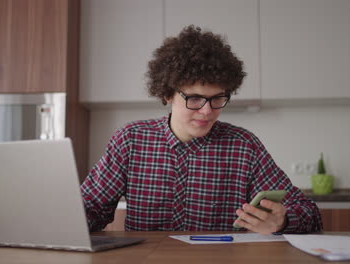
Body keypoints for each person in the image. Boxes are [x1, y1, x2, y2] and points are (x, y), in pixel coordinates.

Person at [80, 25, 323, 234]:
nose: (207, 111)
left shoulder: (243, 145)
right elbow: (92, 206)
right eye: (194, 99)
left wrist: (283, 220)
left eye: (217, 98)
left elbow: (308, 212)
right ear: (167, 94)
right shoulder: (131, 140)